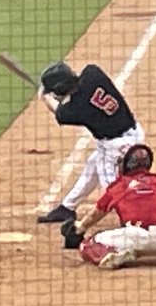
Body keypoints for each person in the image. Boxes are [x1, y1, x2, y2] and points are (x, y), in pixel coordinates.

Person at [35, 61, 145, 224]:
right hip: (133, 132)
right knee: (92, 168)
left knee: (112, 186)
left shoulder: (77, 109)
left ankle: (132, 219)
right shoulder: (93, 73)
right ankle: (67, 208)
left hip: (116, 147)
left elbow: (59, 112)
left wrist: (45, 97)